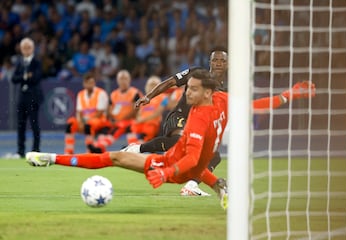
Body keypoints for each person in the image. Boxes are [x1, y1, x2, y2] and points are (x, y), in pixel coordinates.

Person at [123, 48, 316, 197]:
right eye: (215, 59)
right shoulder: (196, 73)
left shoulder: (228, 89)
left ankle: (191, 187)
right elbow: (171, 82)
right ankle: (137, 149)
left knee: (213, 157)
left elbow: (254, 105)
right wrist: (149, 97)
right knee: (180, 141)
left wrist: (287, 96)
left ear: (228, 64)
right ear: (209, 62)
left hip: (201, 126)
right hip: (180, 117)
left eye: (222, 60)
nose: (218, 63)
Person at [25, 69, 229, 210]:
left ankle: (201, 186)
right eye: (188, 88)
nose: (187, 92)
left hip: (167, 165)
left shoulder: (199, 119)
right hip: (174, 161)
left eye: (193, 89)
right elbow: (253, 103)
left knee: (115, 157)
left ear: (207, 92)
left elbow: (192, 161)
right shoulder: (221, 100)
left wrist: (166, 173)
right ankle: (50, 158)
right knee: (113, 156)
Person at [87, 70, 143, 153]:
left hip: (130, 121)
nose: (123, 81)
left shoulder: (135, 93)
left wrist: (120, 120)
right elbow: (109, 109)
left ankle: (133, 148)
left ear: (129, 80)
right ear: (117, 80)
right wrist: (112, 119)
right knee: (105, 127)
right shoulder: (113, 94)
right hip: (116, 122)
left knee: (122, 126)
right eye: (121, 79)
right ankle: (99, 147)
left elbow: (135, 111)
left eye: (125, 79)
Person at [11, 37, 43, 158]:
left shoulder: (37, 62)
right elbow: (14, 79)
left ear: (33, 49)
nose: (26, 50)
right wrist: (26, 76)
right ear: (21, 49)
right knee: (21, 125)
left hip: (33, 97)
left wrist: (25, 77)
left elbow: (37, 78)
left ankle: (36, 149)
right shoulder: (20, 62)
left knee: (34, 124)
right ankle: (20, 151)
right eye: (24, 48)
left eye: (28, 48)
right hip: (22, 97)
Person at [64, 73, 109, 154]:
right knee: (71, 123)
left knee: (89, 125)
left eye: (91, 82)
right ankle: (68, 152)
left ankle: (89, 150)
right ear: (84, 84)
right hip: (85, 120)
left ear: (94, 83)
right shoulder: (81, 94)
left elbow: (100, 112)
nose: (90, 85)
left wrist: (85, 121)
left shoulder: (101, 93)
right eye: (88, 83)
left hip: (99, 121)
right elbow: (79, 112)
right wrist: (80, 122)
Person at [126, 75, 169, 145]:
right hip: (142, 122)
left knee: (148, 130)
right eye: (151, 85)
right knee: (132, 128)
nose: (153, 87)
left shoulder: (164, 98)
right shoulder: (144, 98)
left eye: (155, 85)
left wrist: (143, 119)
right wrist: (139, 119)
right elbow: (139, 112)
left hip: (153, 123)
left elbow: (157, 113)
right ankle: (133, 146)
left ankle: (140, 145)